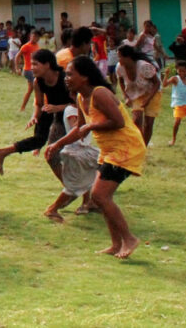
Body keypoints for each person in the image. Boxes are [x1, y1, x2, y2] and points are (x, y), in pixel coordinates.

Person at [46, 56, 146, 259]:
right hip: (109, 151)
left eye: (70, 74)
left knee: (100, 196)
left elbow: (117, 122)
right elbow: (79, 130)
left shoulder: (100, 94)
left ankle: (129, 239)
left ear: (85, 76)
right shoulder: (83, 98)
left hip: (126, 148)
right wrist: (57, 144)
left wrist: (91, 126)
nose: (66, 78)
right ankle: (116, 244)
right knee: (100, 197)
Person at [0, 49, 68, 181]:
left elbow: (79, 103)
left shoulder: (65, 78)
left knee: (65, 151)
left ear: (47, 65)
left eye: (35, 64)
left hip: (69, 114)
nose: (32, 68)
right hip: (49, 111)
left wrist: (59, 107)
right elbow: (38, 103)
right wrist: (35, 116)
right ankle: (1, 153)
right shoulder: (38, 81)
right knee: (39, 140)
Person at [42, 96, 98, 223]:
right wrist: (93, 122)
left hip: (83, 149)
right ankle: (52, 209)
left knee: (89, 175)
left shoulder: (80, 110)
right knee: (74, 185)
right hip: (76, 151)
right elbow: (76, 128)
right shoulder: (71, 110)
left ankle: (87, 203)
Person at [116, 45, 161, 146]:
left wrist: (149, 99)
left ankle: (144, 147)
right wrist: (126, 96)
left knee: (148, 124)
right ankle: (137, 145)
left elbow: (157, 83)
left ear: (128, 57)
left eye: (120, 56)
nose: (118, 59)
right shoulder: (119, 67)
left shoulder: (144, 66)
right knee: (137, 120)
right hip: (136, 93)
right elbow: (121, 82)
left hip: (152, 92)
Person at [15, 30, 41, 111]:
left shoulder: (37, 45)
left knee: (31, 89)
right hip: (29, 70)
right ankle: (34, 107)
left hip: (35, 70)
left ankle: (24, 107)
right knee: (35, 89)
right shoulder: (26, 46)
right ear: (30, 36)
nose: (35, 38)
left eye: (37, 37)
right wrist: (17, 68)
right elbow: (17, 56)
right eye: (33, 36)